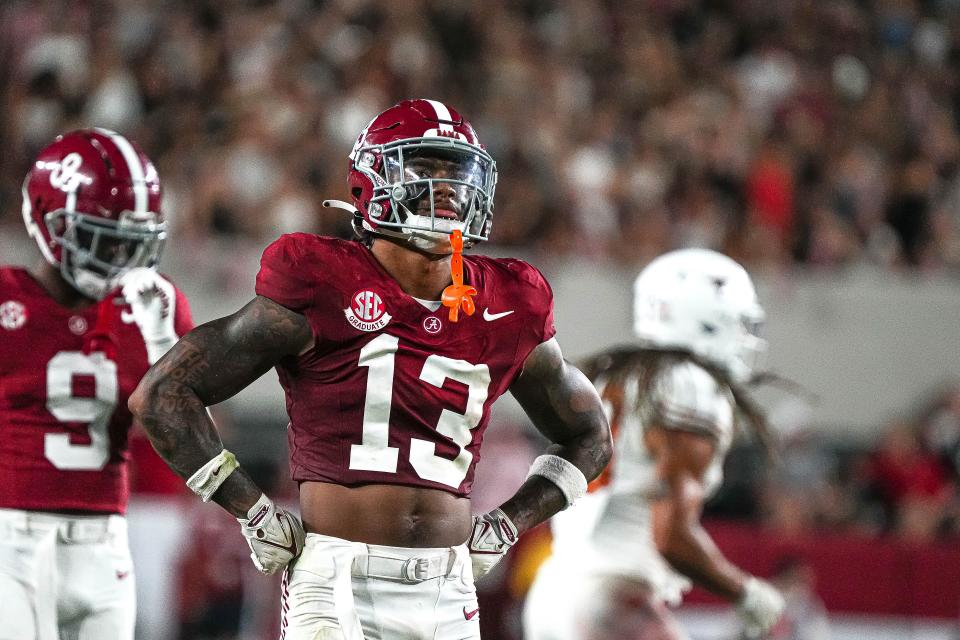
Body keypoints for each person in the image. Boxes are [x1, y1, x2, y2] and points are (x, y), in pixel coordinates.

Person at [129, 98, 612, 639]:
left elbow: (590, 437)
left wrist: (508, 523)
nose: (448, 188)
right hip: (337, 580)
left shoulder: (511, 301)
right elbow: (164, 395)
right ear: (370, 181)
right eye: (425, 168)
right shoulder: (321, 280)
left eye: (458, 172)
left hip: (450, 589)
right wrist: (249, 508)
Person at [523, 248, 786, 640]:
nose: (746, 338)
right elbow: (671, 535)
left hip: (555, 589)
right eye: (738, 322)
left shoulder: (618, 377)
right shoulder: (691, 386)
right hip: (610, 600)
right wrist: (744, 592)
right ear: (706, 321)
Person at [0, 128, 192, 640]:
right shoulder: (5, 301)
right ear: (47, 219)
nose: (119, 261)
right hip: (10, 538)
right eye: (104, 239)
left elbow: (191, 447)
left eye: (132, 244)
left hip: (105, 540)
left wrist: (160, 345)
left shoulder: (152, 306)